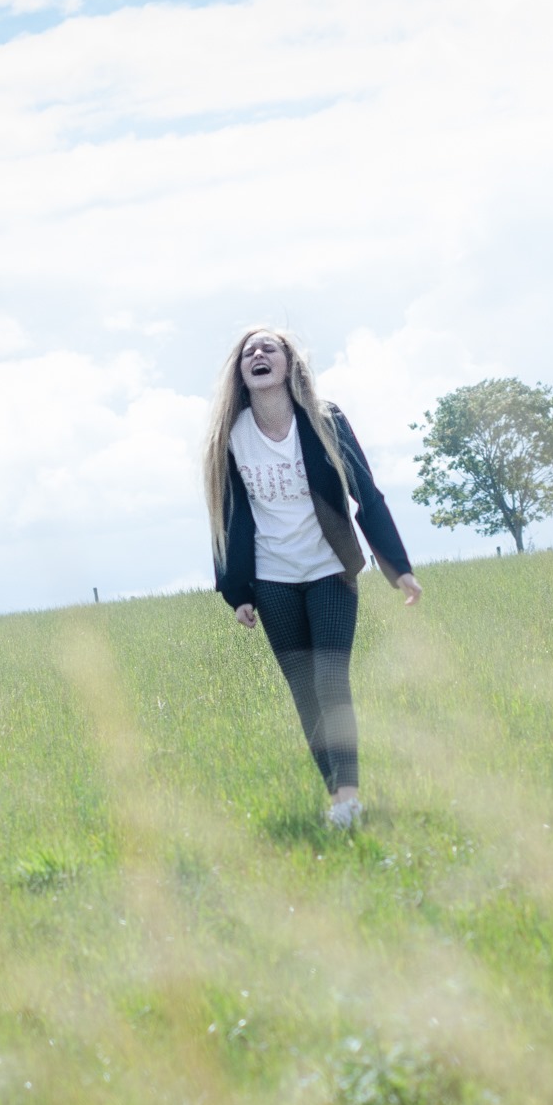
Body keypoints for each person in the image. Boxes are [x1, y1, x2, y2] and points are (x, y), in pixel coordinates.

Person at [204, 328, 422, 828]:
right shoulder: (232, 436)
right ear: (241, 372)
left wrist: (398, 567)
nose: (258, 355)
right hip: (272, 579)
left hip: (330, 569)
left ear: (289, 364)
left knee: (330, 678)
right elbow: (224, 514)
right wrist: (235, 590)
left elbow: (366, 491)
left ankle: (349, 795)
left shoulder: (325, 420)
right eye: (248, 352)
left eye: (269, 349)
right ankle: (338, 800)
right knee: (305, 691)